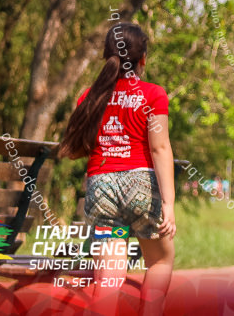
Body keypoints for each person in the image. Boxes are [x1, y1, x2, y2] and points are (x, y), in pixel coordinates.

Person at [59, 23, 175, 316]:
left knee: (108, 280)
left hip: (101, 187)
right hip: (141, 187)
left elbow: (76, 148)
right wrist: (169, 203)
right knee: (160, 262)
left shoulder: (89, 96)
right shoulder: (154, 95)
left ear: (106, 57)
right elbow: (160, 148)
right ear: (143, 59)